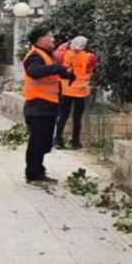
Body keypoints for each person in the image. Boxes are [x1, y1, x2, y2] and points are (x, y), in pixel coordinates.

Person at [22, 26, 75, 184]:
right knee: (37, 142)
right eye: (49, 37)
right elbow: (35, 72)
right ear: (41, 40)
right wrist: (56, 68)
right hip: (38, 105)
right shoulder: (35, 56)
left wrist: (67, 74)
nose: (52, 39)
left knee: (44, 143)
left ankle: (38, 170)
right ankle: (33, 174)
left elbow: (53, 74)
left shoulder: (47, 55)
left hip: (48, 106)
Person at [54, 35, 96, 149]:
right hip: (81, 91)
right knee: (77, 118)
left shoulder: (64, 54)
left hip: (66, 89)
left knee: (63, 115)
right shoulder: (90, 57)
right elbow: (91, 69)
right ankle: (75, 142)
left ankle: (58, 140)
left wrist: (68, 43)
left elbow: (57, 52)